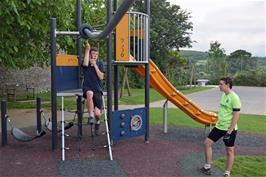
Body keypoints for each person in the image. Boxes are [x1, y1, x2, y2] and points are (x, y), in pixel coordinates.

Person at [199, 77, 241, 177]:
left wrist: (230, 131)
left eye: (221, 84)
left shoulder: (234, 97)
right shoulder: (223, 95)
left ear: (228, 85)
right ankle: (207, 166)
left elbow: (236, 115)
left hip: (229, 129)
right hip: (219, 126)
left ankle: (227, 173)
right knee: (207, 143)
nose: (219, 86)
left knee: (229, 151)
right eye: (219, 84)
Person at [82, 41, 104, 136]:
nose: (94, 56)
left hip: (97, 89)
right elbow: (85, 64)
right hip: (88, 87)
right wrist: (87, 49)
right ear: (90, 55)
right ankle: (90, 116)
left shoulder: (100, 64)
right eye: (93, 54)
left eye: (96, 54)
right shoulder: (86, 63)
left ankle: (97, 122)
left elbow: (101, 77)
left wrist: (95, 65)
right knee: (89, 93)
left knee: (98, 114)